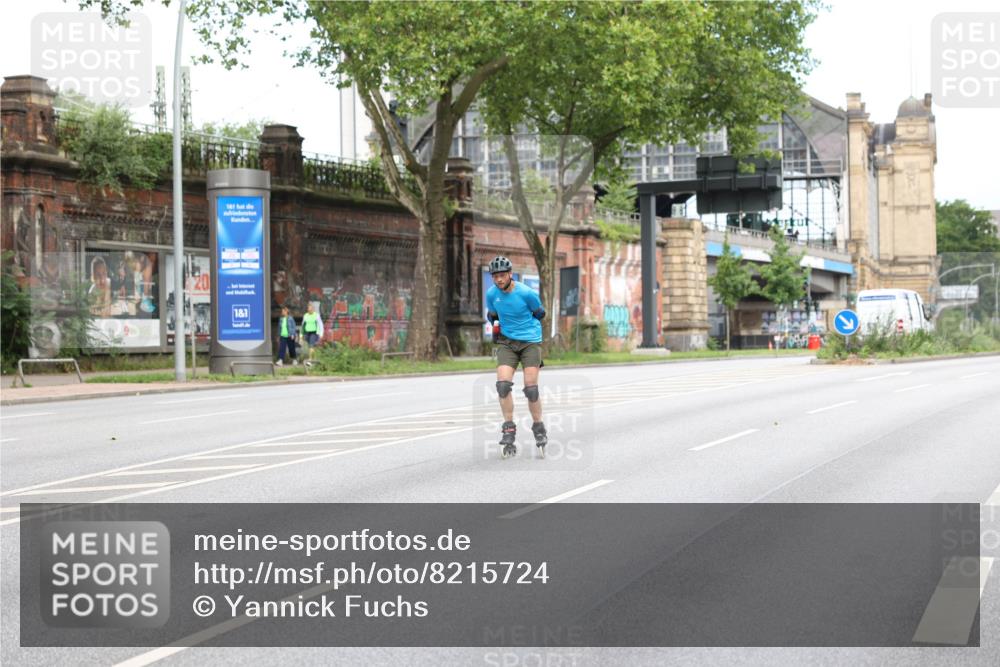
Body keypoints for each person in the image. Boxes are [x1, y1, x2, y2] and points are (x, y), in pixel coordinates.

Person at [485, 255, 547, 459]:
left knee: (531, 389)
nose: (499, 280)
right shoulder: (492, 294)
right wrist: (497, 333)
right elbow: (492, 316)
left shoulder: (527, 293)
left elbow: (540, 314)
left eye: (502, 275)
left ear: (510, 274)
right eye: (495, 276)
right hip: (507, 342)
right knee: (502, 385)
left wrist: (528, 331)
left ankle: (538, 427)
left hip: (530, 341)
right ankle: (509, 429)